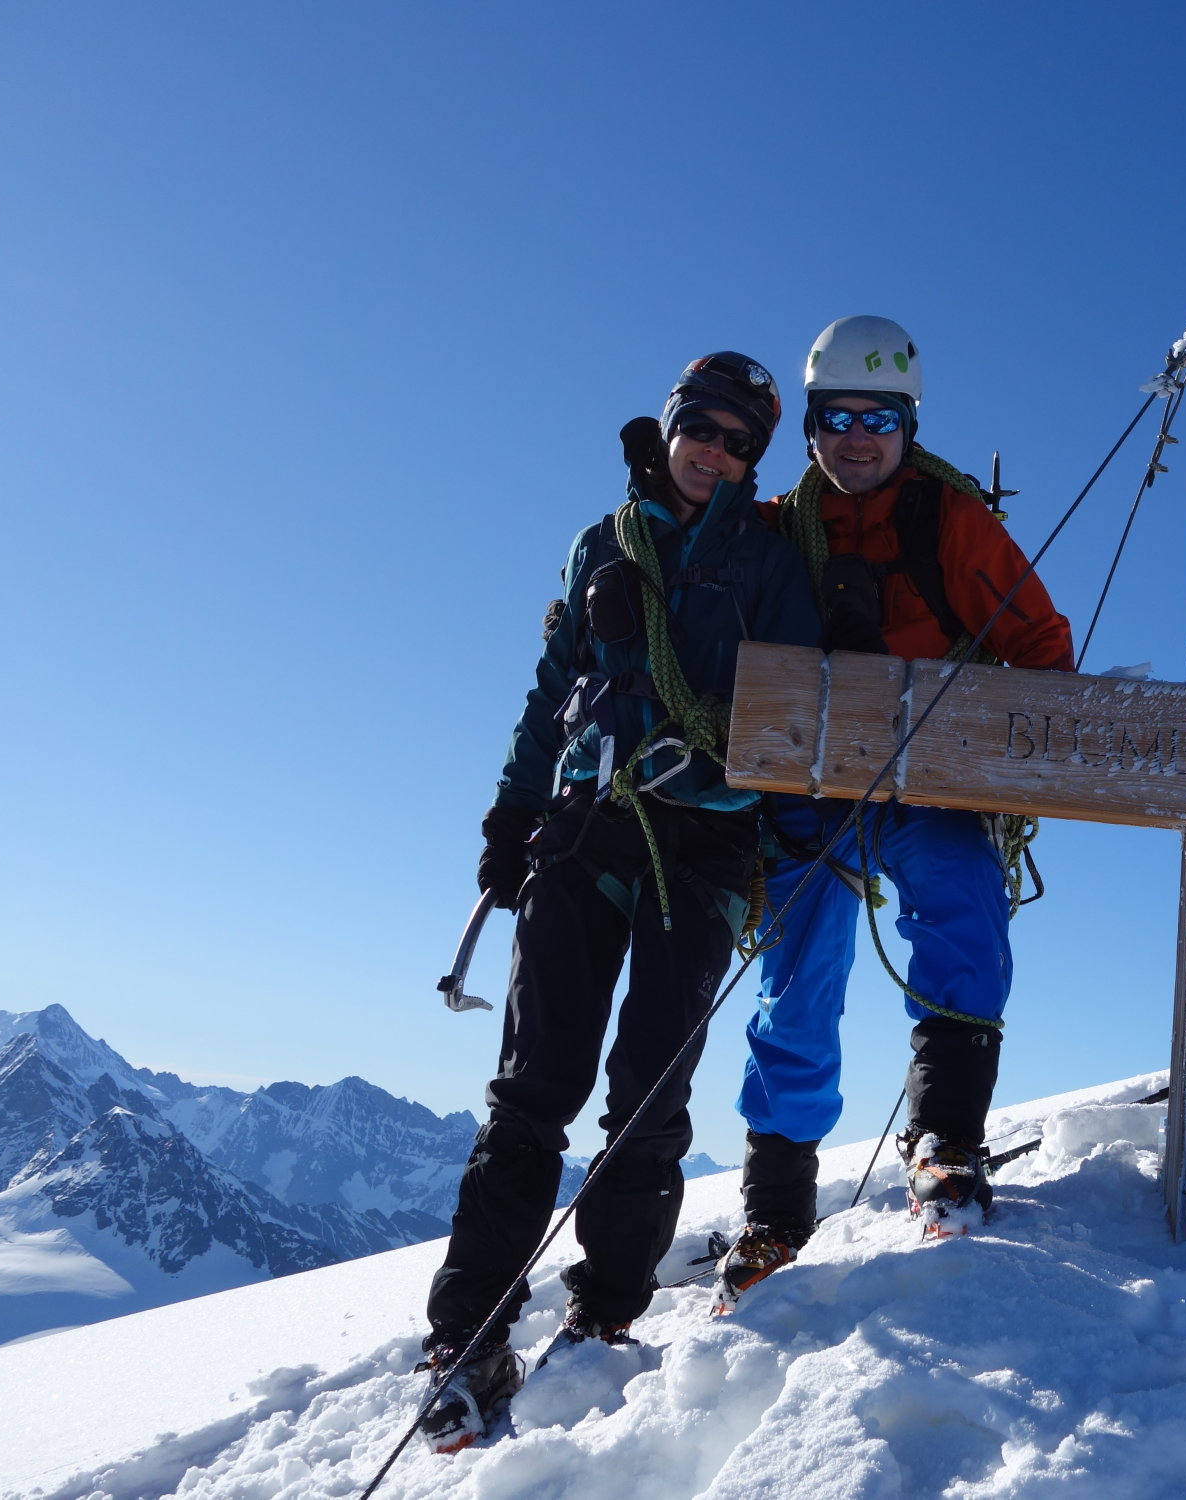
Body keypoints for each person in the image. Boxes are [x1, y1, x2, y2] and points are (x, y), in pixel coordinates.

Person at [417, 352, 820, 1451]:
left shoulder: (769, 564)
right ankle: (466, 1332)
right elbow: (554, 690)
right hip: (586, 829)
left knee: (648, 1092)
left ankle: (603, 1313)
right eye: (704, 429)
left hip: (705, 845)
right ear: (673, 424)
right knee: (532, 1088)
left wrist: (759, 804)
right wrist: (510, 818)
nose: (715, 453)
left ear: (754, 460)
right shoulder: (604, 542)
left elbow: (797, 711)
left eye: (740, 443)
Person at [717, 316, 1074, 1305]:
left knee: (963, 906)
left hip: (930, 781)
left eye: (878, 418)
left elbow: (1042, 648)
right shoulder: (773, 529)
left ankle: (947, 1141)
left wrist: (997, 760)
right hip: (812, 789)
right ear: (811, 427)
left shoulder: (947, 522)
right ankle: (775, 1210)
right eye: (836, 417)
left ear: (908, 425)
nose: (856, 438)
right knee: (796, 979)